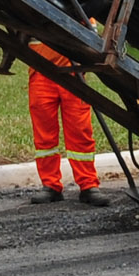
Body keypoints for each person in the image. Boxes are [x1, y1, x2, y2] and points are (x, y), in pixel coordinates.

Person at [28, 51, 102, 204]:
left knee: (80, 132)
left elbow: (89, 34)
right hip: (41, 72)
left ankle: (88, 185)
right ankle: (50, 185)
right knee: (44, 136)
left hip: (72, 73)